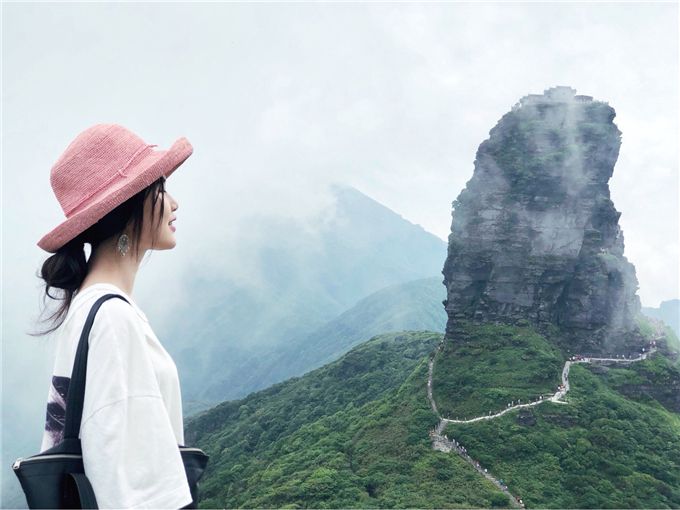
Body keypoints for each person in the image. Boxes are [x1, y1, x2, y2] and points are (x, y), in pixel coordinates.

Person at [30, 123, 196, 509]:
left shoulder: (89, 309)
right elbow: (136, 490)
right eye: (161, 189)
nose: (174, 203)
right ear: (130, 206)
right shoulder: (112, 320)